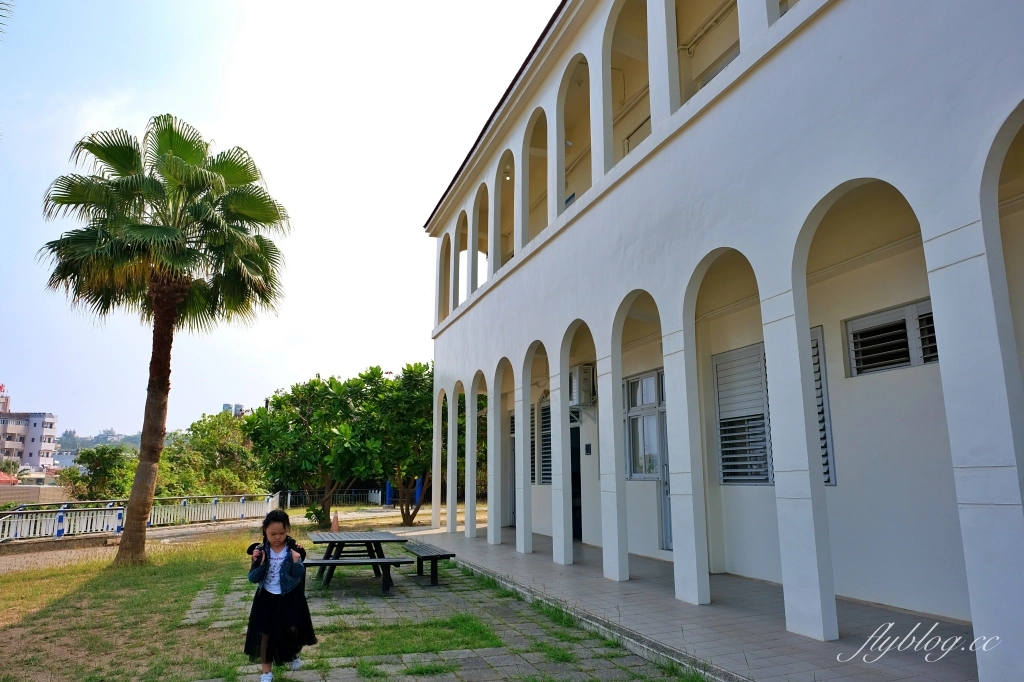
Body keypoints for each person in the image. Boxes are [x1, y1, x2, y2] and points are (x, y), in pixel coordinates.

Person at [244, 509, 317, 682]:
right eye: (273, 534)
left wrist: (296, 560)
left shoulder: (293, 549)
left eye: (282, 533)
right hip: (266, 597)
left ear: (287, 530)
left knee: (292, 628)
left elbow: (298, 573)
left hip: (290, 595)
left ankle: (292, 653)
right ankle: (266, 673)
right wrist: (260, 563)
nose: (277, 537)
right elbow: (252, 578)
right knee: (265, 635)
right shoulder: (260, 551)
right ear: (265, 532)